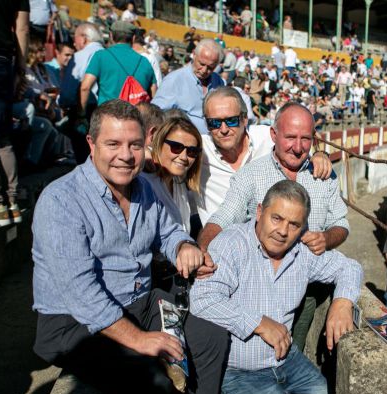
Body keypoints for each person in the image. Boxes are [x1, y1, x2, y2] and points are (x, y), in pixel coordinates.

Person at [31, 100, 228, 394]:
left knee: (212, 334)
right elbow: (83, 295)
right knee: (149, 383)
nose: (125, 155)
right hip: (75, 323)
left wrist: (182, 246)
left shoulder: (142, 191)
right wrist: (139, 340)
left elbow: (167, 231)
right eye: (113, 144)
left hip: (137, 302)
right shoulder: (61, 200)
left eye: (135, 145)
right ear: (91, 144)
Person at [190, 180, 362, 394]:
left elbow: (349, 266)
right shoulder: (232, 244)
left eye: (294, 224)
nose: (283, 231)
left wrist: (342, 303)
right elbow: (203, 300)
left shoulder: (301, 251)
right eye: (276, 218)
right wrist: (258, 323)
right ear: (260, 212)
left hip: (288, 361)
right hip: (240, 373)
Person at [198, 102, 349, 351]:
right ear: (273, 135)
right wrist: (203, 249)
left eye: (306, 139)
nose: (298, 147)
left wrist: (327, 238)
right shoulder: (251, 175)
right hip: (260, 288)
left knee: (293, 352)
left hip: (311, 289)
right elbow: (223, 218)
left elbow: (341, 224)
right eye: (290, 137)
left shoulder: (324, 174)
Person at [197, 87, 332, 227]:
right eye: (214, 123)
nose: (223, 129)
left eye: (231, 121)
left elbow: (305, 138)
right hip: (220, 238)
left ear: (244, 119)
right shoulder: (196, 149)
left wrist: (319, 154)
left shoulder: (267, 137)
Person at [0, 0, 28, 228]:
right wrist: (21, 70)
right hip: (3, 61)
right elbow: (22, 28)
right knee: (2, 136)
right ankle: (11, 202)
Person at [142, 116, 204, 235]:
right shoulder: (144, 178)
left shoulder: (178, 181)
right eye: (176, 147)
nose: (184, 157)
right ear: (159, 142)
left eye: (192, 151)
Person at [80, 20, 157, 113]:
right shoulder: (145, 61)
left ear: (111, 36)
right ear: (133, 38)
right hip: (136, 121)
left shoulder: (100, 56)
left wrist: (81, 114)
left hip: (107, 117)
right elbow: (154, 94)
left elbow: (85, 87)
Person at [152, 39, 224, 135]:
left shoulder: (218, 81)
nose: (204, 70)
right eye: (201, 64)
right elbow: (156, 114)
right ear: (194, 54)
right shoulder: (174, 80)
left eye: (210, 67)